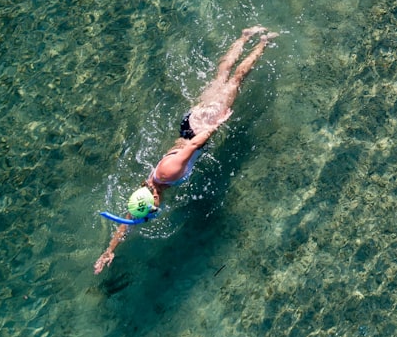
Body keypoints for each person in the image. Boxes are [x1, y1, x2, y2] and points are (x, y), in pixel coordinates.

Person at [94, 26, 277, 274]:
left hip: (198, 127)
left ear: (153, 198)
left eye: (153, 208)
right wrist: (110, 250)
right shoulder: (147, 190)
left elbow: (192, 146)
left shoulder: (168, 174)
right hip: (190, 125)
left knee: (236, 79)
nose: (155, 210)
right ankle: (245, 36)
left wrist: (215, 125)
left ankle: (263, 42)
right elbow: (126, 223)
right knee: (221, 78)